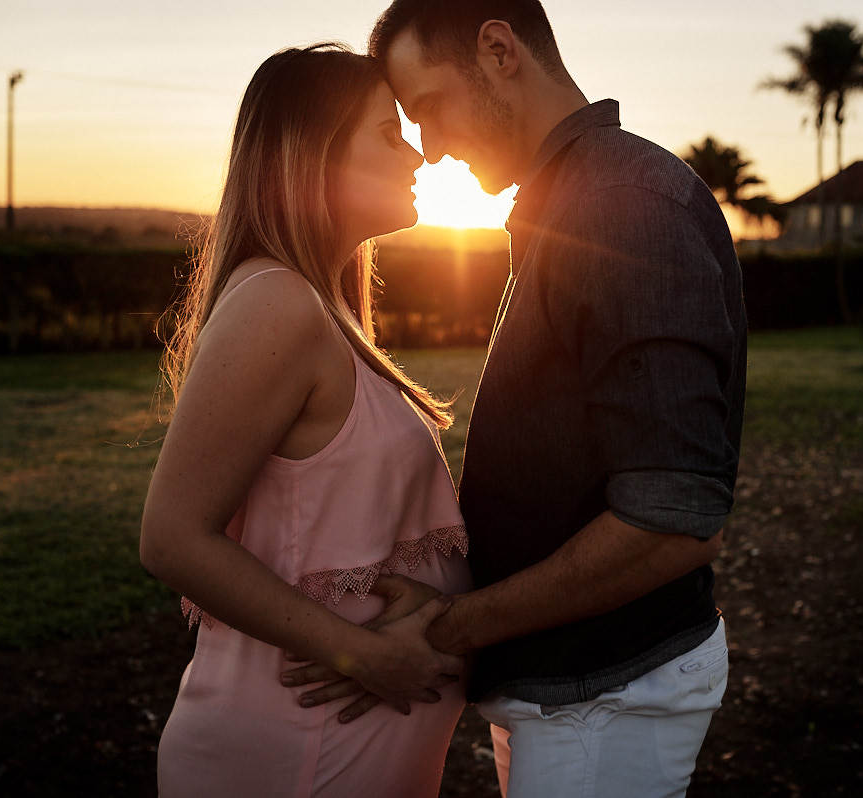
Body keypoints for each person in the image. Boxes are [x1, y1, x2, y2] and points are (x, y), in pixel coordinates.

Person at [281, 2, 747, 796]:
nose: (428, 150)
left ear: (498, 51)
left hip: (606, 697)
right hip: (571, 688)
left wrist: (453, 625)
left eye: (427, 110)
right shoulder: (569, 201)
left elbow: (672, 523)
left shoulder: (625, 205)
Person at [138, 43, 474, 797]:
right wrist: (364, 654)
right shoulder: (277, 304)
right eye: (389, 133)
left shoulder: (323, 309)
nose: (417, 153)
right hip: (293, 754)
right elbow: (170, 537)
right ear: (313, 158)